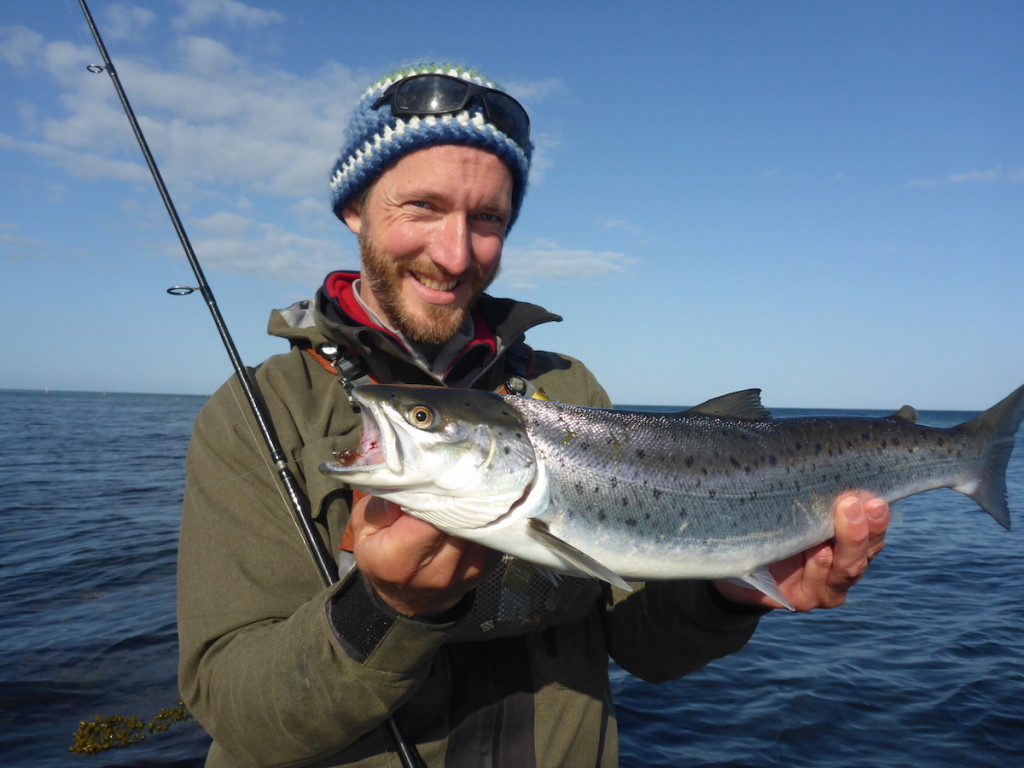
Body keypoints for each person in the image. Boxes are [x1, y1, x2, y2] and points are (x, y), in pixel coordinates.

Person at [177, 61, 890, 768]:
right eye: (420, 207)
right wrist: (384, 610)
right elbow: (239, 713)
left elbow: (641, 644)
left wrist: (728, 592)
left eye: (487, 218)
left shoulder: (567, 388)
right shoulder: (256, 414)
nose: (454, 254)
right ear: (354, 208)